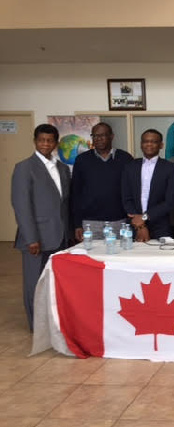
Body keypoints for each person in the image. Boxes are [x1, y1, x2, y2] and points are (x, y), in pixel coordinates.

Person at [11, 124, 70, 331]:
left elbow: (64, 203)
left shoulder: (62, 168)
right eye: (42, 140)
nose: (46, 144)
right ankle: (37, 326)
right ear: (35, 141)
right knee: (34, 284)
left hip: (60, 236)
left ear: (56, 143)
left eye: (50, 140)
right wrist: (30, 238)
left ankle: (54, 322)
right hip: (37, 238)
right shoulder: (24, 167)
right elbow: (21, 205)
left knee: (55, 282)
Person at [71, 122, 133, 241]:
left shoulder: (125, 158)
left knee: (119, 257)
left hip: (119, 221)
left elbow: (132, 190)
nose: (98, 139)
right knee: (91, 258)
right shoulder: (82, 160)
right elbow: (76, 193)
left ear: (111, 136)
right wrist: (77, 224)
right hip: (90, 223)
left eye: (102, 135)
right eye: (95, 136)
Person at [121, 129, 174, 241]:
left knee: (161, 258)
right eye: (145, 141)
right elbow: (126, 198)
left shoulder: (170, 168)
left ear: (161, 145)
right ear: (141, 144)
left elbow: (170, 201)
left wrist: (144, 217)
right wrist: (139, 224)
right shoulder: (129, 167)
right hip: (133, 225)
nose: (149, 144)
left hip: (160, 226)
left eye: (153, 141)